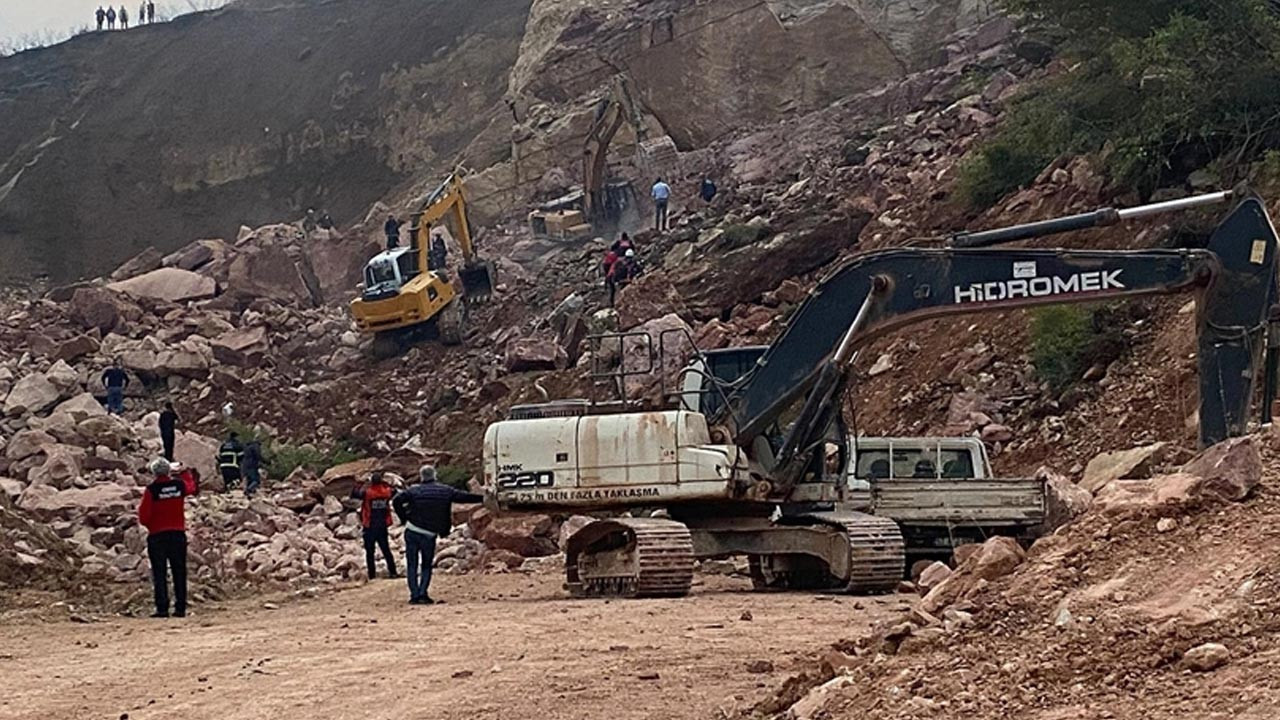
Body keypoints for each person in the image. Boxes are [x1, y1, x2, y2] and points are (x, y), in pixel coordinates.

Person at [392, 465, 483, 605]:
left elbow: (396, 500)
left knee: (412, 564)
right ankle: (423, 594)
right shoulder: (445, 490)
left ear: (421, 476)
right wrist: (483, 498)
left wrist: (404, 518)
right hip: (429, 534)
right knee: (426, 565)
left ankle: (414, 595)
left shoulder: (414, 490)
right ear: (435, 475)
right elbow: (464, 497)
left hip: (412, 530)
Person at [137, 458, 199, 618]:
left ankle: (162, 608)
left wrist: (152, 525)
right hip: (177, 533)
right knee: (179, 571)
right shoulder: (178, 485)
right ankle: (180, 608)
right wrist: (184, 473)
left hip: (157, 535)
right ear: (168, 471)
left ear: (153, 472)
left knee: (159, 572)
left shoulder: (152, 490)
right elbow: (191, 488)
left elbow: (144, 517)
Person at [352, 472, 398, 580]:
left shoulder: (368, 493)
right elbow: (395, 491)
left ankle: (372, 575)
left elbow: (355, 494)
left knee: (370, 552)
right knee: (386, 550)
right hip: (383, 525)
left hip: (370, 525)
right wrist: (386, 483)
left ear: (372, 482)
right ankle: (393, 572)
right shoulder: (387, 492)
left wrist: (359, 483)